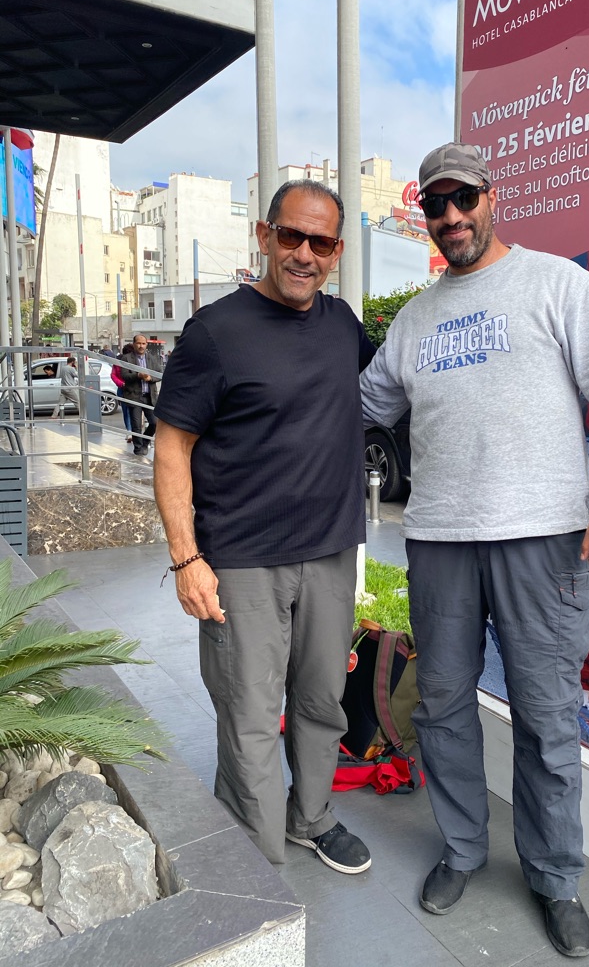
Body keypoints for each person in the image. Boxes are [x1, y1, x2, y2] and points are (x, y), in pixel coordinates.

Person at [359, 143, 589, 958]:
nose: (452, 216)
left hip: (542, 542)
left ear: (493, 197)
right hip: (440, 543)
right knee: (443, 709)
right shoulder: (414, 320)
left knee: (547, 719)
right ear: (424, 213)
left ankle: (555, 877)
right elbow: (360, 405)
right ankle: (461, 851)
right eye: (436, 204)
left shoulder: (558, 285)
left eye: (465, 199)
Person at [153, 179, 376, 874]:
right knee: (249, 713)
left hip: (331, 553)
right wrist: (187, 558)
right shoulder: (214, 332)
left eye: (321, 242)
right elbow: (171, 447)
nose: (304, 253)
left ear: (337, 251)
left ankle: (311, 817)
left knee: (321, 702)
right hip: (243, 560)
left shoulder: (344, 326)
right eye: (291, 236)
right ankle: (256, 852)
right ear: (264, 235)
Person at [122, 334, 161, 455]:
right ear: (134, 344)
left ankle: (145, 442)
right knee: (136, 425)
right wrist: (137, 375)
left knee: (155, 423)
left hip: (149, 397)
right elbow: (124, 375)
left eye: (143, 343)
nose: (141, 346)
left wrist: (150, 378)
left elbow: (160, 374)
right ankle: (138, 449)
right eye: (138, 343)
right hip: (134, 396)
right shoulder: (126, 358)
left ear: (146, 344)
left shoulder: (152, 358)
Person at [111, 343, 134, 442]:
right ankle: (130, 431)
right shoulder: (118, 362)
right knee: (128, 411)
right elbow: (113, 375)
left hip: (128, 388)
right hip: (125, 389)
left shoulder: (134, 361)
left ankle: (131, 431)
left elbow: (113, 375)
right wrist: (122, 384)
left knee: (129, 411)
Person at [56, 356, 79, 422]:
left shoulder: (63, 368)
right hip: (70, 388)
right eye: (75, 362)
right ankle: (83, 415)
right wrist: (76, 367)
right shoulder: (71, 368)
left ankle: (54, 415)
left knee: (60, 403)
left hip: (63, 388)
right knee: (78, 402)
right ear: (72, 362)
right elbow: (78, 375)